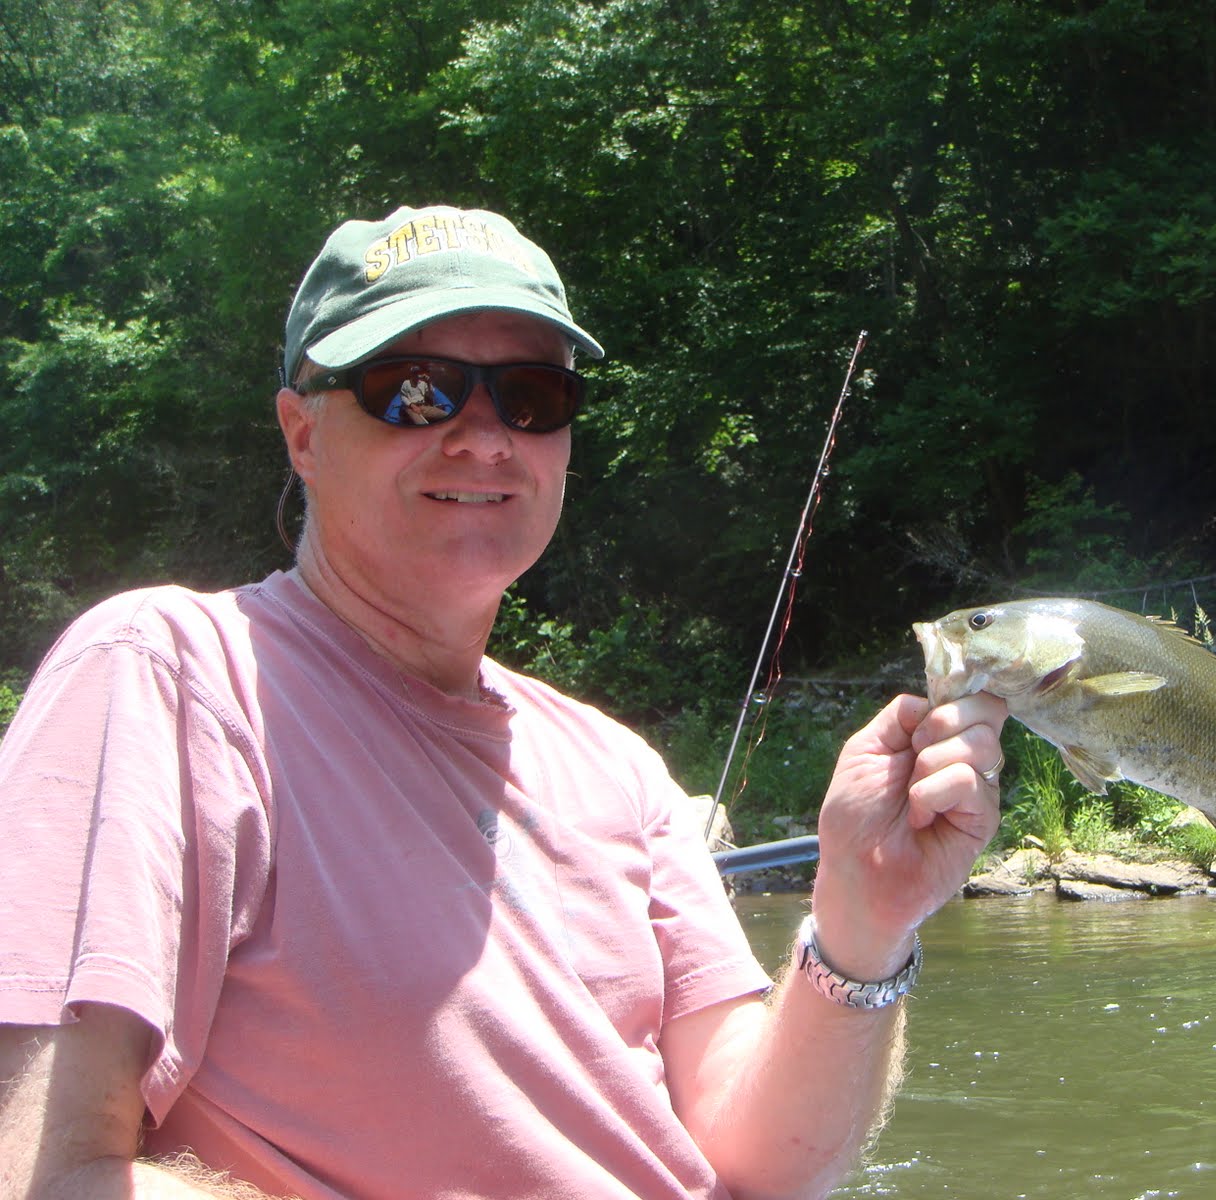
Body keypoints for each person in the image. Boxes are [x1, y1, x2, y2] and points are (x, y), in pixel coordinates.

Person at [0, 204, 1007, 1200]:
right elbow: (44, 1174)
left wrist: (862, 924)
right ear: (302, 432)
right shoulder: (167, 675)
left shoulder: (620, 768)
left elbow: (765, 1166)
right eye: (416, 391)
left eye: (530, 395)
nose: (484, 437)